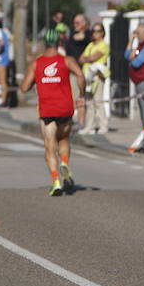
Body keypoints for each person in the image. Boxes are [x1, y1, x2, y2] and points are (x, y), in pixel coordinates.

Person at [20, 30, 86, 196]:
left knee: (50, 145)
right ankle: (64, 163)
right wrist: (82, 95)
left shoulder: (37, 63)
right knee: (63, 138)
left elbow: (24, 88)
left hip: (47, 109)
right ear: (59, 43)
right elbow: (80, 75)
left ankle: (56, 181)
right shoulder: (67, 60)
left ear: (44, 43)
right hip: (65, 108)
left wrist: (36, 81)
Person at [80, 22, 112, 135]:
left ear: (102, 33)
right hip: (87, 76)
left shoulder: (104, 45)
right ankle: (90, 125)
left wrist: (88, 58)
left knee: (98, 101)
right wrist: (87, 58)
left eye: (98, 31)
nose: (95, 33)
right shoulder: (90, 45)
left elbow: (94, 57)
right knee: (89, 102)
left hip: (97, 76)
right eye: (93, 31)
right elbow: (81, 58)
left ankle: (103, 124)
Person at [125, 22, 144, 128]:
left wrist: (131, 58)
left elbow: (135, 62)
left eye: (138, 33)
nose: (136, 35)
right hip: (139, 83)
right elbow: (127, 55)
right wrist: (131, 40)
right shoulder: (140, 46)